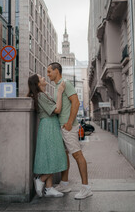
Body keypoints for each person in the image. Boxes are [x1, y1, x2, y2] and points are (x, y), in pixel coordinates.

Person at [47, 62, 93, 200]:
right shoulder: (57, 86)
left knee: (77, 155)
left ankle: (86, 188)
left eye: (49, 71)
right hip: (61, 126)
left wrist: (69, 122)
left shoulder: (65, 83)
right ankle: (65, 183)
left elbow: (76, 102)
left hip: (69, 127)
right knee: (65, 155)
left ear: (57, 71)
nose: (48, 74)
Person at [27, 74, 67, 198]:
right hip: (49, 127)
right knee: (55, 155)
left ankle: (49, 188)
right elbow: (57, 110)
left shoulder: (43, 95)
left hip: (50, 126)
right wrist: (60, 92)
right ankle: (41, 179)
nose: (44, 78)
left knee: (50, 156)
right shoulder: (41, 96)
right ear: (38, 83)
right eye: (41, 78)